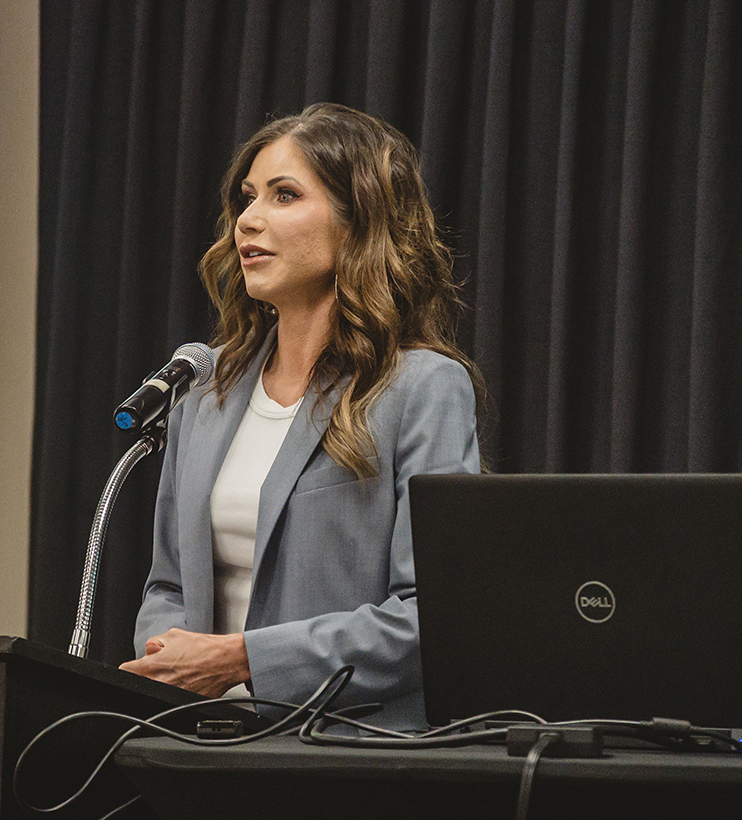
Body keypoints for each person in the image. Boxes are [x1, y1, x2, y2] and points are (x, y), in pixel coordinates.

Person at [117, 103, 484, 731]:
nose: (249, 220)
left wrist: (244, 660)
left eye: (285, 196)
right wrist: (169, 664)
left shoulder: (422, 388)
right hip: (206, 746)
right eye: (247, 198)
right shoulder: (204, 391)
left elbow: (433, 615)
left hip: (351, 754)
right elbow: (168, 588)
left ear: (356, 223)